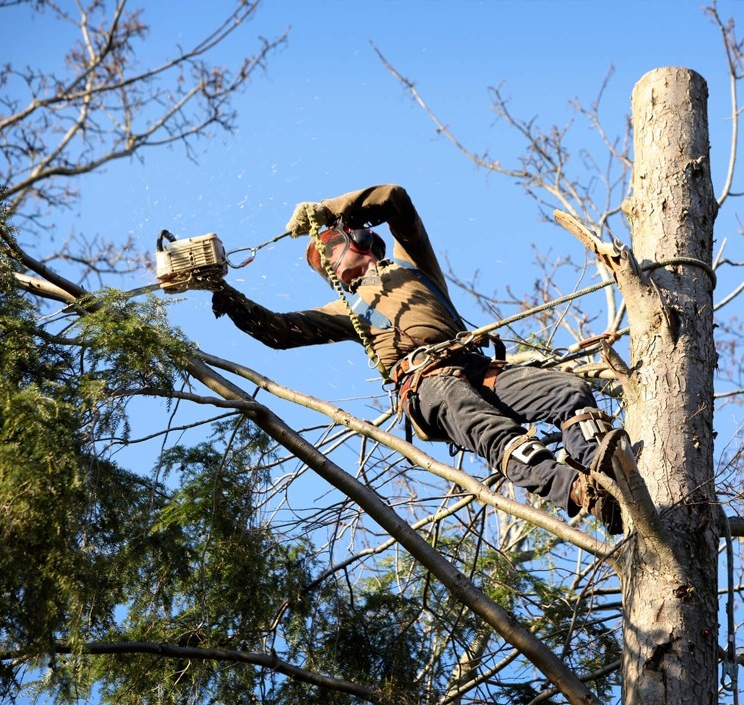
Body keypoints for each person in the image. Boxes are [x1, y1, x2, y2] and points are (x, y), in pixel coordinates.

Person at [207, 184, 627, 533]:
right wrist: (225, 293)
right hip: (426, 381)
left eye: (332, 251)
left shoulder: (413, 265)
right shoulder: (347, 312)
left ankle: (606, 469)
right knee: (491, 430)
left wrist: (327, 210)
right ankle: (579, 491)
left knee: (568, 392)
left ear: (358, 239)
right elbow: (280, 331)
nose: (333, 268)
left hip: (477, 367)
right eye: (327, 265)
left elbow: (396, 201)